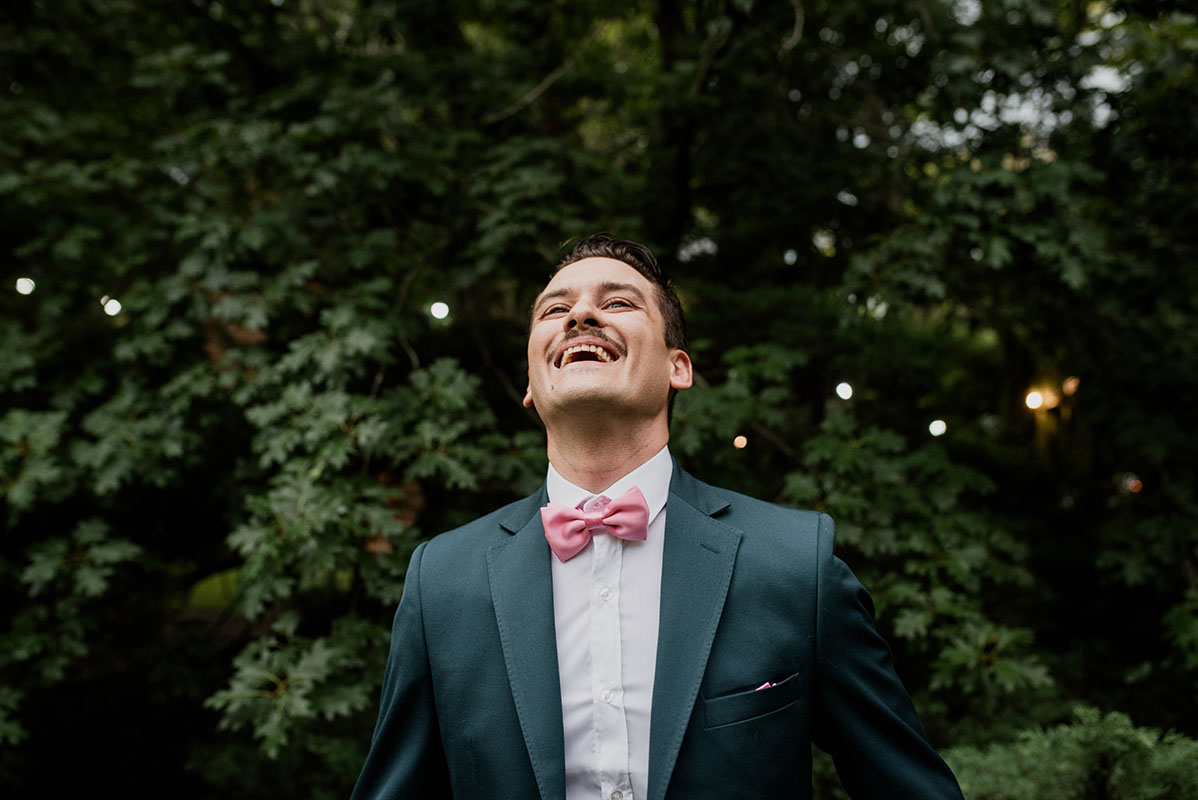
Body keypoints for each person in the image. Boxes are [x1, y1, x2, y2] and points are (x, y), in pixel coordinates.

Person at [350, 234, 964, 800]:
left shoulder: (794, 564)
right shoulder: (442, 580)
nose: (580, 315)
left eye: (618, 302)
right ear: (532, 382)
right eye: (553, 309)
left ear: (679, 367)